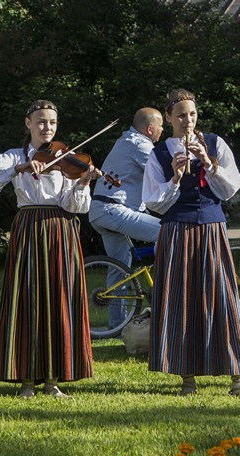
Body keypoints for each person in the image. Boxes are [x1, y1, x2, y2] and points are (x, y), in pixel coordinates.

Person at [142, 88, 240, 398]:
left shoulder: (215, 143)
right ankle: (187, 379)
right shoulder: (158, 154)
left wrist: (208, 162)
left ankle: (239, 380)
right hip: (176, 230)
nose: (188, 120)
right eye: (181, 115)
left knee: (222, 299)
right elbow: (154, 202)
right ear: (168, 117)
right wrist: (176, 177)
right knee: (181, 301)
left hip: (211, 228)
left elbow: (230, 189)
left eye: (192, 114)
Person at [0, 100, 101, 398]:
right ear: (28, 123)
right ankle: (27, 380)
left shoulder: (67, 159)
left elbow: (75, 206)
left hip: (61, 229)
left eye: (52, 123)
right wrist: (20, 168)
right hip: (29, 228)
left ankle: (53, 380)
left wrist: (83, 182)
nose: (47, 128)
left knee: (59, 298)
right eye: (41, 122)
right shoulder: (14, 156)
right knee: (29, 299)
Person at [89, 108, 163, 328]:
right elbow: (162, 173)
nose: (162, 131)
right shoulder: (141, 145)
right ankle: (163, 288)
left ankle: (117, 324)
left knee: (119, 268)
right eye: (160, 127)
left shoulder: (126, 140)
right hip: (114, 209)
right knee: (167, 231)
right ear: (150, 129)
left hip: (100, 210)